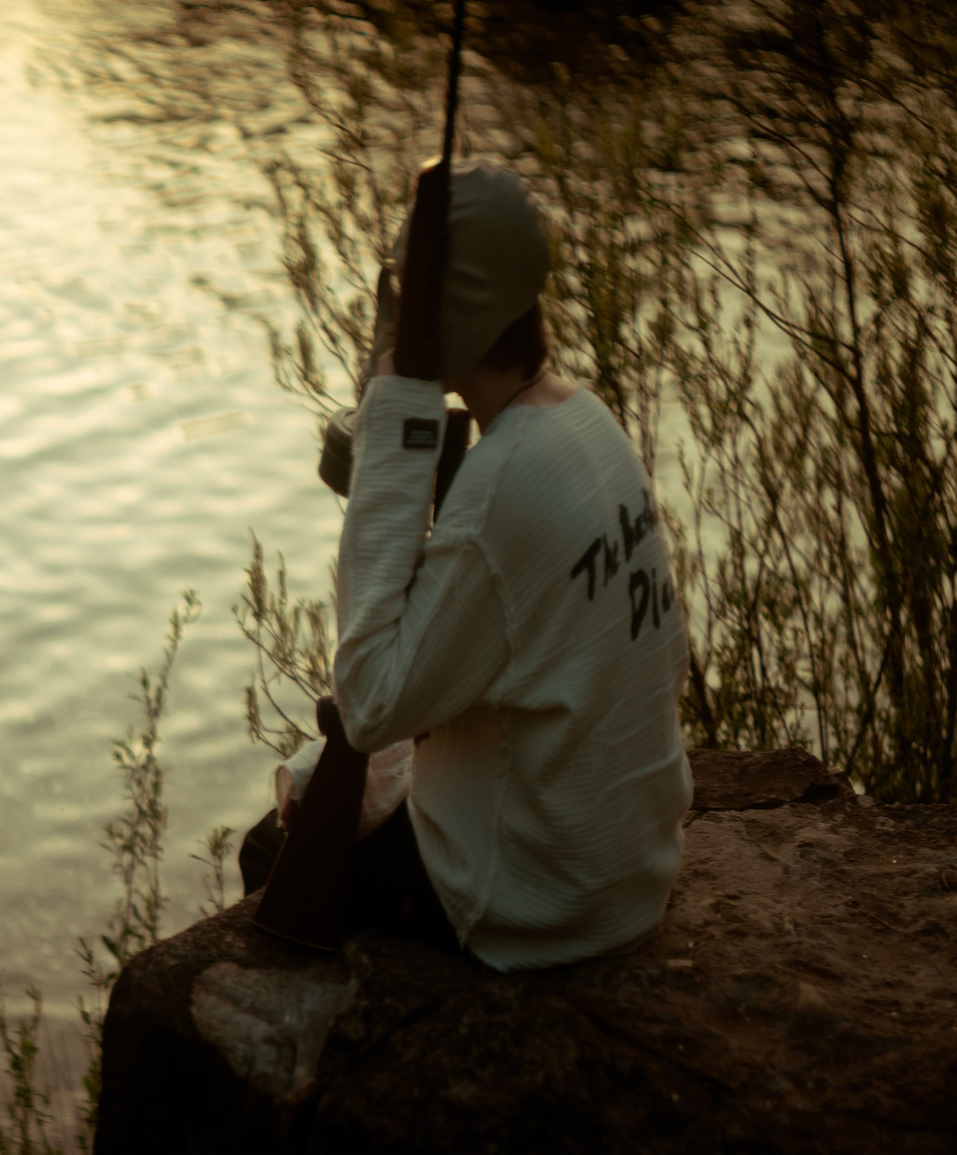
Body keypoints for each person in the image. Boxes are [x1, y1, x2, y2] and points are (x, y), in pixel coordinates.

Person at [245, 159, 692, 972]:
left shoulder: (501, 484)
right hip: (625, 871)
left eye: (401, 296)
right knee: (330, 783)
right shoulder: (588, 425)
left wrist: (393, 417)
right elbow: (468, 658)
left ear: (438, 313)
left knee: (267, 854)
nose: (390, 318)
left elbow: (371, 702)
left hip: (537, 901)